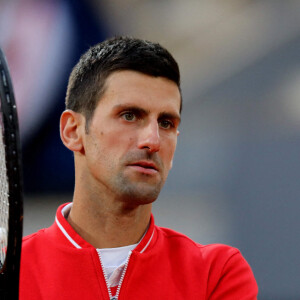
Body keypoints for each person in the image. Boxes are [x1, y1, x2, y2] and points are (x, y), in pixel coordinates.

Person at [19, 36, 258, 299]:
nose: (152, 141)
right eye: (129, 116)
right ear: (73, 131)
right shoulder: (12, 273)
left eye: (166, 123)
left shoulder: (217, 273)